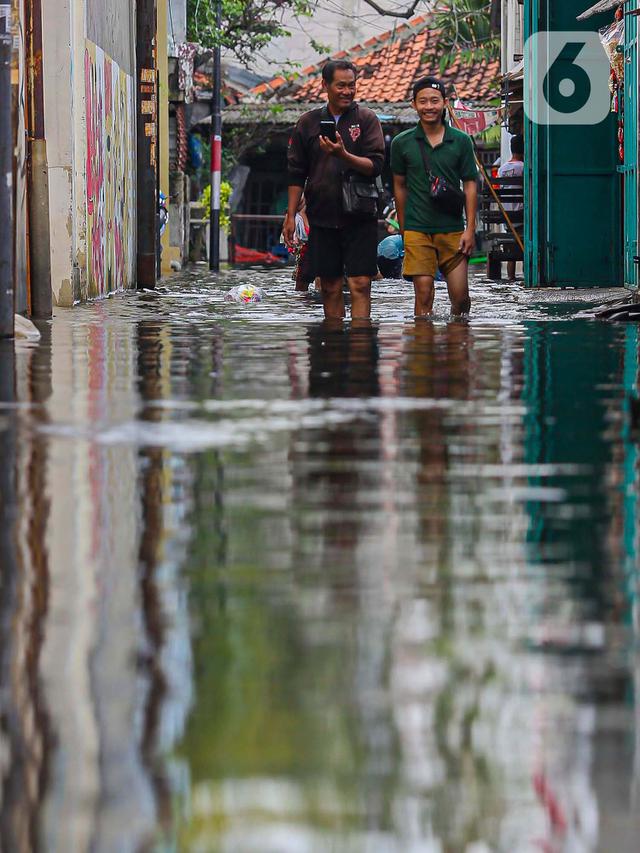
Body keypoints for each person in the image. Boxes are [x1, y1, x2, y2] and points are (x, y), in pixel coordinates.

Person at [283, 59, 385, 319]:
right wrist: (291, 216)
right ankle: (333, 346)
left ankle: (361, 343)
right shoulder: (308, 123)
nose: (347, 92)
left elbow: (376, 165)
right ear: (325, 86)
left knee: (361, 283)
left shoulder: (366, 119)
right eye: (341, 86)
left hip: (360, 214)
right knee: (329, 286)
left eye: (352, 86)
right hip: (321, 215)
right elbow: (296, 172)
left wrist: (343, 154)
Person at [390, 76, 478, 316]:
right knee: (424, 294)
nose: (429, 107)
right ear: (414, 105)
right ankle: (422, 349)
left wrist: (470, 229)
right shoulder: (401, 143)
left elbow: (470, 184)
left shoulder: (461, 141)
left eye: (434, 101)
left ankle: (457, 348)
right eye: (423, 101)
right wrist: (404, 226)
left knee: (460, 300)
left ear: (445, 103)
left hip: (453, 230)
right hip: (417, 229)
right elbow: (399, 185)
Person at [497, 133, 524, 281]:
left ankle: (510, 276)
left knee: (511, 246)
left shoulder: (502, 169)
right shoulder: (524, 168)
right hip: (521, 217)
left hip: (507, 218)